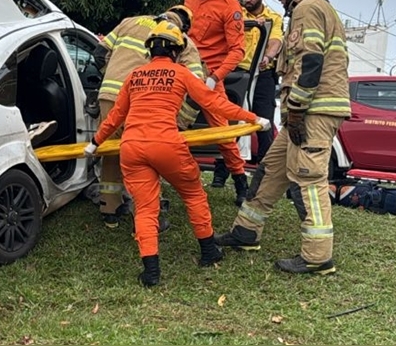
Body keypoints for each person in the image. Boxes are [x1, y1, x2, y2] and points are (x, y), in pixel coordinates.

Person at [85, 20, 271, 287]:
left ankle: (151, 272)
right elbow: (214, 103)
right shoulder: (180, 73)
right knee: (193, 195)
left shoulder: (135, 76)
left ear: (150, 49)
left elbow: (115, 116)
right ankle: (209, 250)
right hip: (166, 145)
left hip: (132, 148)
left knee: (145, 209)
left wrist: (94, 143)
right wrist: (253, 118)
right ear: (176, 50)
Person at [217, 0, 351, 275]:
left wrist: (298, 109)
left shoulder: (308, 9)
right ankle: (246, 231)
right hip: (306, 111)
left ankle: (317, 256)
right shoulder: (316, 8)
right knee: (270, 170)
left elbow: (310, 63)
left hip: (313, 110)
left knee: (307, 179)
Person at [92, 5, 205, 230]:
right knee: (147, 155)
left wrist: (112, 78)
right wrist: (181, 122)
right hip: (143, 102)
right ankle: (148, 215)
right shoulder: (181, 39)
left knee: (112, 152)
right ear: (185, 26)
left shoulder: (129, 22)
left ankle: (109, 209)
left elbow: (98, 54)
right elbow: (196, 86)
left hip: (109, 97)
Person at [182, 0, 250, 204]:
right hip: (184, 70)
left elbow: (237, 50)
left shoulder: (230, 6)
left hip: (210, 75)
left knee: (222, 133)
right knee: (170, 124)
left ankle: (241, 182)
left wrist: (215, 77)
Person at [239, 0, 284, 164]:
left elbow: (276, 40)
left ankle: (264, 170)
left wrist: (268, 56)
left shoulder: (273, 17)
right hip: (238, 73)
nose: (247, 0)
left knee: (264, 123)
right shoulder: (237, 14)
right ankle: (221, 171)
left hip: (263, 74)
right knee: (229, 123)